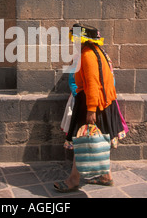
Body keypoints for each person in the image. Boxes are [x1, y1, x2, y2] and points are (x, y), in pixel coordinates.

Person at [53, 24, 127, 193]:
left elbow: (93, 83)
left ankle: (73, 179)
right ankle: (106, 176)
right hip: (105, 103)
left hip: (92, 103)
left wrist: (91, 110)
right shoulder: (100, 52)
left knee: (82, 140)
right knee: (101, 138)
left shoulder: (87, 55)